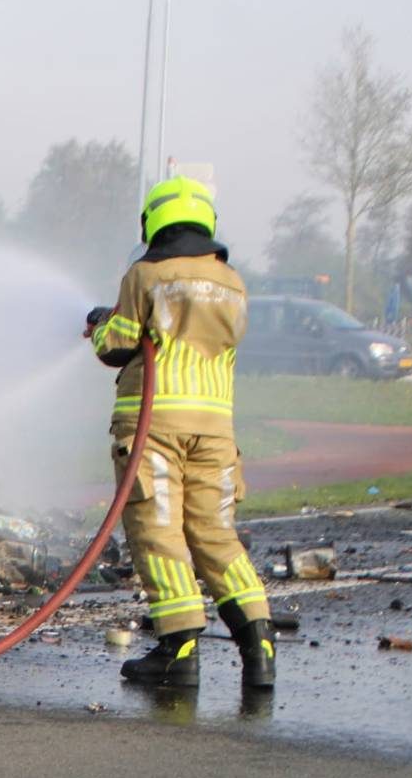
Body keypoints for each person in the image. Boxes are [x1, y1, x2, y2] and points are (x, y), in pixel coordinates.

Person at [84, 177, 274, 690]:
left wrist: (101, 322)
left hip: (154, 429)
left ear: (154, 223)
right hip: (215, 430)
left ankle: (179, 650)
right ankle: (259, 649)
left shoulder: (147, 274)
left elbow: (119, 344)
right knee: (216, 537)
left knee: (159, 534)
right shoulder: (231, 281)